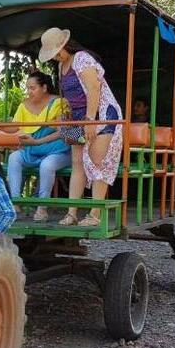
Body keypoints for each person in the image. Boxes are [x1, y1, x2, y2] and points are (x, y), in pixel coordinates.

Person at [39, 27, 124, 227]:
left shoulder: (82, 58)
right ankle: (72, 213)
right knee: (77, 162)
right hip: (75, 118)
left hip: (100, 115)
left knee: (97, 161)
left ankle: (95, 214)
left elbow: (94, 89)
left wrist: (90, 120)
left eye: (57, 51)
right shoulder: (61, 67)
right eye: (52, 54)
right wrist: (65, 114)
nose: (56, 56)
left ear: (65, 45)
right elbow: (68, 96)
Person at [3, 71, 72, 222]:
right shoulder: (24, 104)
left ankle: (42, 208)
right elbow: (14, 127)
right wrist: (0, 126)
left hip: (58, 151)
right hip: (33, 150)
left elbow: (63, 132)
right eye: (27, 88)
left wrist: (37, 142)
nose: (29, 92)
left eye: (32, 88)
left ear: (44, 88)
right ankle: (15, 203)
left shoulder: (60, 103)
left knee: (47, 165)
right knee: (14, 157)